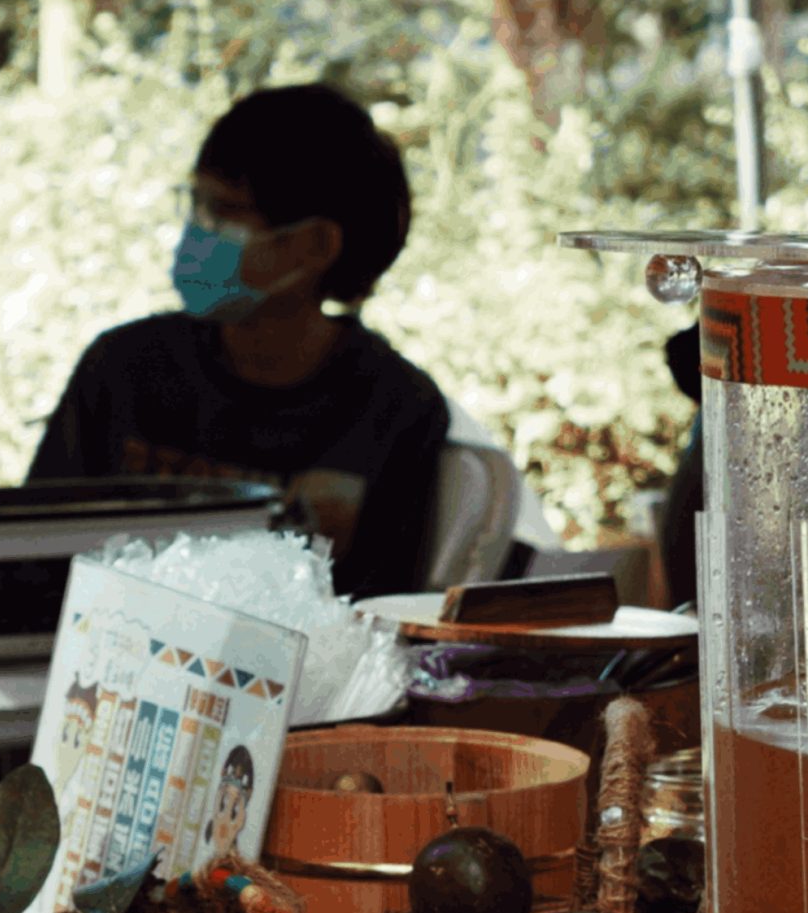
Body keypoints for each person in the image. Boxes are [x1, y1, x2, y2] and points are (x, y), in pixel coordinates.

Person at [27, 81, 548, 600]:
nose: (198, 231)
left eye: (225, 212)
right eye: (196, 206)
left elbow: (383, 619)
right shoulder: (123, 370)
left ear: (315, 244)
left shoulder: (395, 410)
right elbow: (27, 559)